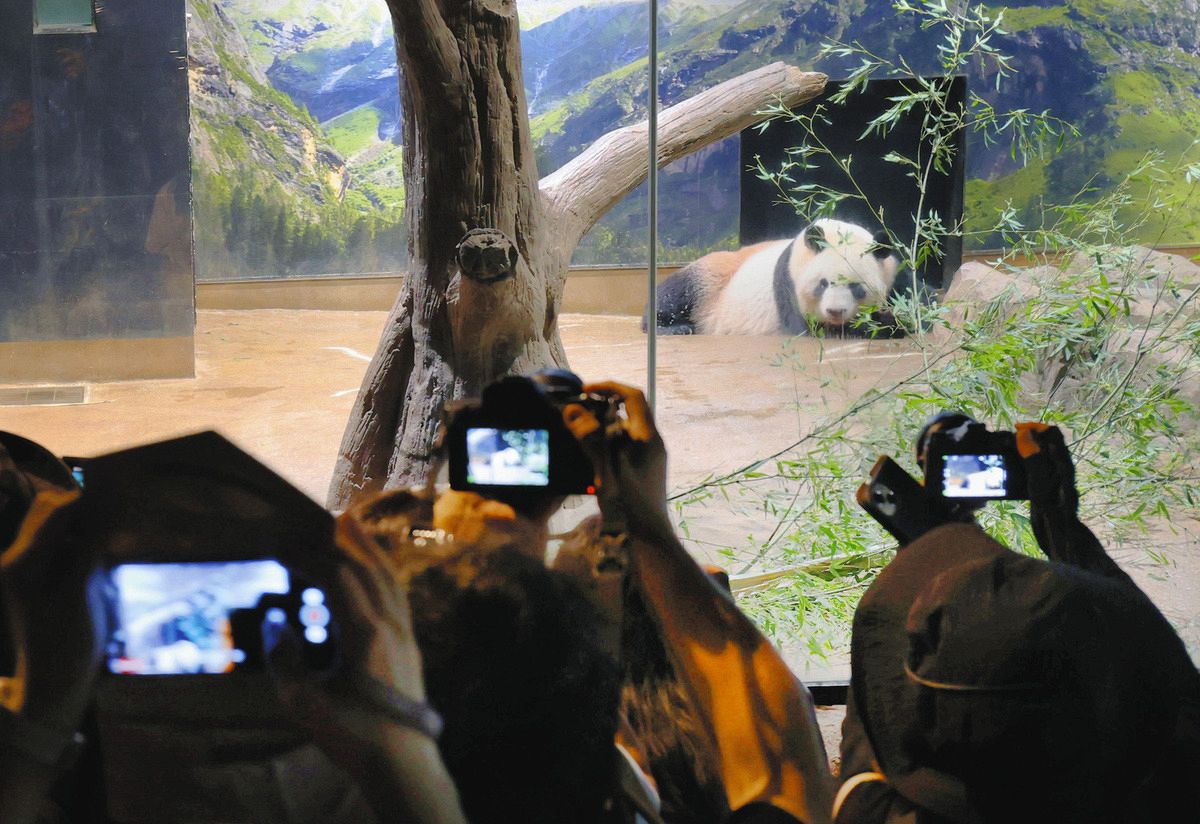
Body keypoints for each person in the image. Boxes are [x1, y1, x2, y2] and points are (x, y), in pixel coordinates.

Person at [834, 422, 1200, 823]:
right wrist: (1060, 525)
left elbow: (875, 676)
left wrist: (929, 536)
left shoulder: (868, 806)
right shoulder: (1167, 792)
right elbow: (1161, 663)